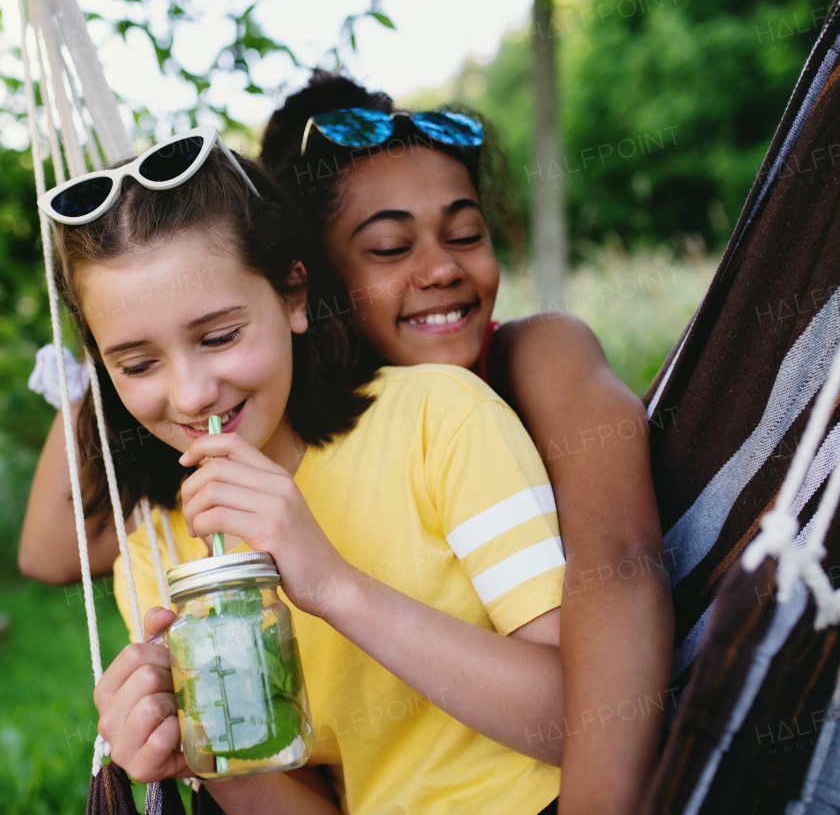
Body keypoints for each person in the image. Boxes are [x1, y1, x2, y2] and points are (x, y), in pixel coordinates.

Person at [43, 130, 566, 814]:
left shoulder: (440, 419)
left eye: (220, 336)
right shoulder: (158, 551)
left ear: (294, 295)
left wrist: (333, 586)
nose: (192, 392)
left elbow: (579, 716)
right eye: (138, 364)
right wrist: (207, 756)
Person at [258, 72, 671, 815]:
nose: (443, 267)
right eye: (389, 247)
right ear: (310, 286)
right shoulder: (298, 452)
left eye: (465, 234)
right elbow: (58, 552)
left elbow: (619, 559)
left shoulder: (537, 355)